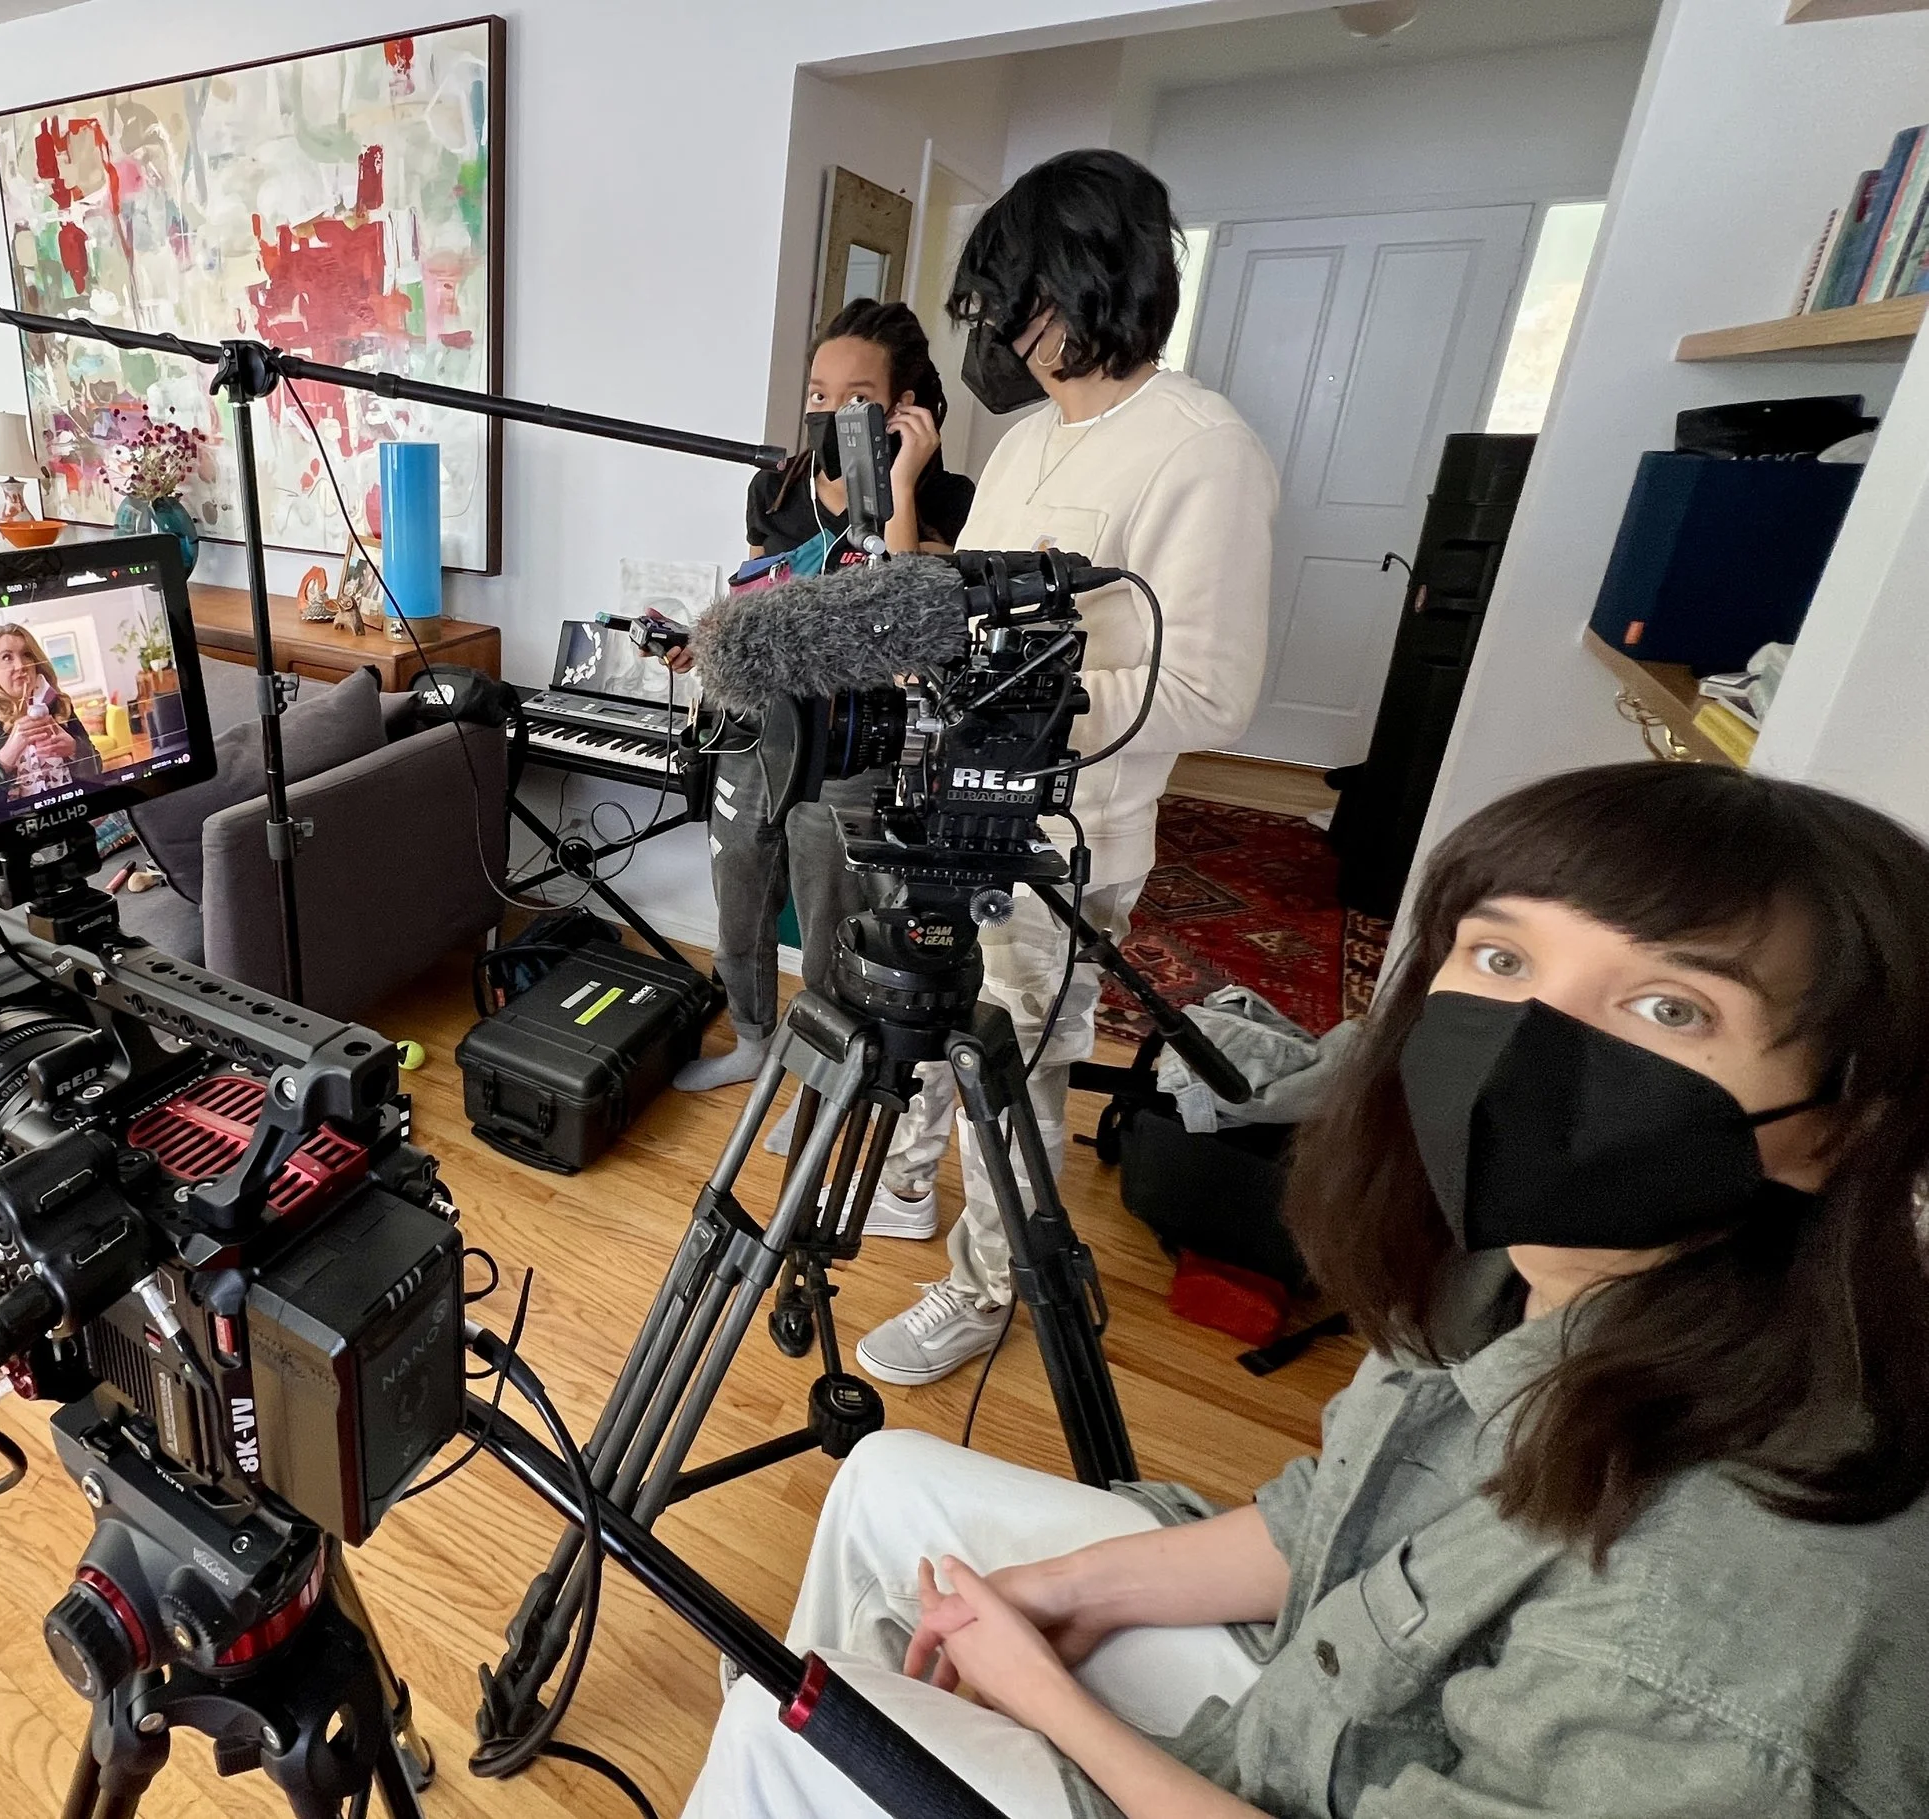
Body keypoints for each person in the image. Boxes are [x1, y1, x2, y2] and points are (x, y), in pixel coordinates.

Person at [688, 762, 1929, 1818]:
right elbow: (1334, 1514)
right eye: (1498, 953)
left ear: (1836, 1126)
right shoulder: (1512, 1259)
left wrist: (1042, 1697)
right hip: (1327, 1696)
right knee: (891, 1483)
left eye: (1669, 1005)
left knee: (785, 1730)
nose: (1528, 1040)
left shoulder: (1721, 1616)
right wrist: (1061, 1596)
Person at [853, 151, 1279, 1381]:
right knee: (933, 1019)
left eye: (1015, 295)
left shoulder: (1200, 448)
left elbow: (1212, 687)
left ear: (1093, 278)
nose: (999, 327)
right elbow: (970, 606)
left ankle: (987, 1289)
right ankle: (907, 1188)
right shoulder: (1031, 437)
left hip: (1064, 834)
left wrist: (1022, 702)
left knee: (1019, 1065)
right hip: (955, 803)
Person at [676, 300, 975, 1128]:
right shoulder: (774, 486)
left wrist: (900, 487)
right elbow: (754, 599)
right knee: (739, 888)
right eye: (817, 390)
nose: (828, 408)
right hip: (762, 728)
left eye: (854, 392)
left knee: (831, 916)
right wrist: (705, 641)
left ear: (907, 400)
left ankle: (825, 1072)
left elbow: (914, 626)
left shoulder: (948, 492)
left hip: (855, 745)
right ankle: (750, 1039)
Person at [0, 623, 97, 817]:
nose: (21, 666)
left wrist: (75, 750)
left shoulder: (59, 707)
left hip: (74, 828)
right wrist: (6, 757)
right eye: (7, 657)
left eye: (26, 654)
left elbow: (97, 768)